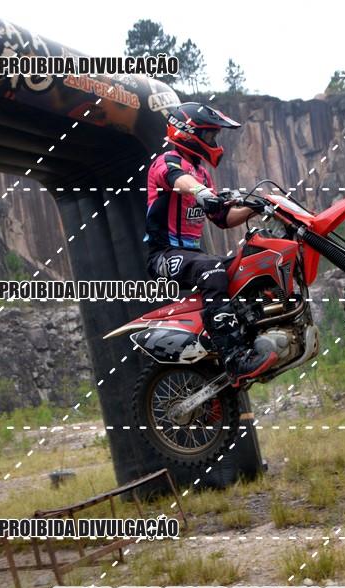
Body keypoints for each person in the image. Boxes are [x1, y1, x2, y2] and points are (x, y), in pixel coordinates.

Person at [144, 102, 278, 387]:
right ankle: (235, 360)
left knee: (250, 264)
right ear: (187, 132)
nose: (214, 141)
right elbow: (177, 179)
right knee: (213, 269)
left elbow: (223, 218)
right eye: (209, 135)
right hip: (163, 255)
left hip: (194, 255)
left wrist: (258, 206)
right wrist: (201, 192)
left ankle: (255, 339)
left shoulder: (202, 173)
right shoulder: (167, 161)